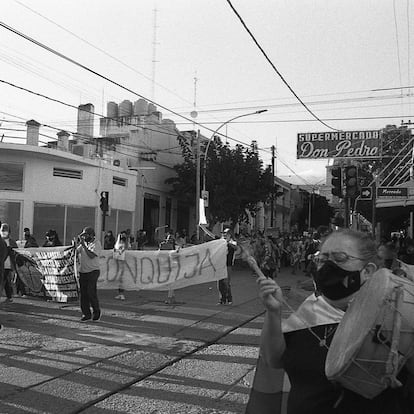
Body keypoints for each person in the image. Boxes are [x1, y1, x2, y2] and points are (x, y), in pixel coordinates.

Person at [256, 229, 413, 413]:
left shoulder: (393, 317)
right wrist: (273, 313)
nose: (327, 267)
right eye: (323, 260)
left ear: (368, 271)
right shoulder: (310, 311)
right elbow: (273, 360)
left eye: (339, 259)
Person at [76, 226, 102, 322]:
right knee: (83, 294)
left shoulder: (96, 243)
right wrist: (76, 244)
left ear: (91, 235)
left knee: (91, 292)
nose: (84, 237)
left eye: (86, 235)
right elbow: (75, 251)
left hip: (93, 271)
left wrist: (83, 246)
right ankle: (86, 314)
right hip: (83, 271)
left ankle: (96, 313)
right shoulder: (83, 244)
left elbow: (91, 255)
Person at [217, 228, 236, 305]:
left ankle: (229, 298)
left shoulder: (233, 242)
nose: (224, 235)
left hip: (228, 265)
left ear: (230, 235)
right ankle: (222, 299)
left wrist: (227, 243)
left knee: (226, 282)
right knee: (220, 283)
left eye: (226, 233)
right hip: (220, 265)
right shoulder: (220, 242)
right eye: (223, 233)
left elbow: (235, 248)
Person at [0, 223, 18, 302]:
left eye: (5, 230)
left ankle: (8, 296)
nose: (4, 232)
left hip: (8, 265)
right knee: (6, 281)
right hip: (1, 264)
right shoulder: (1, 241)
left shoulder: (12, 242)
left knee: (4, 280)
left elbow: (16, 253)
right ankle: (9, 296)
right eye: (2, 230)